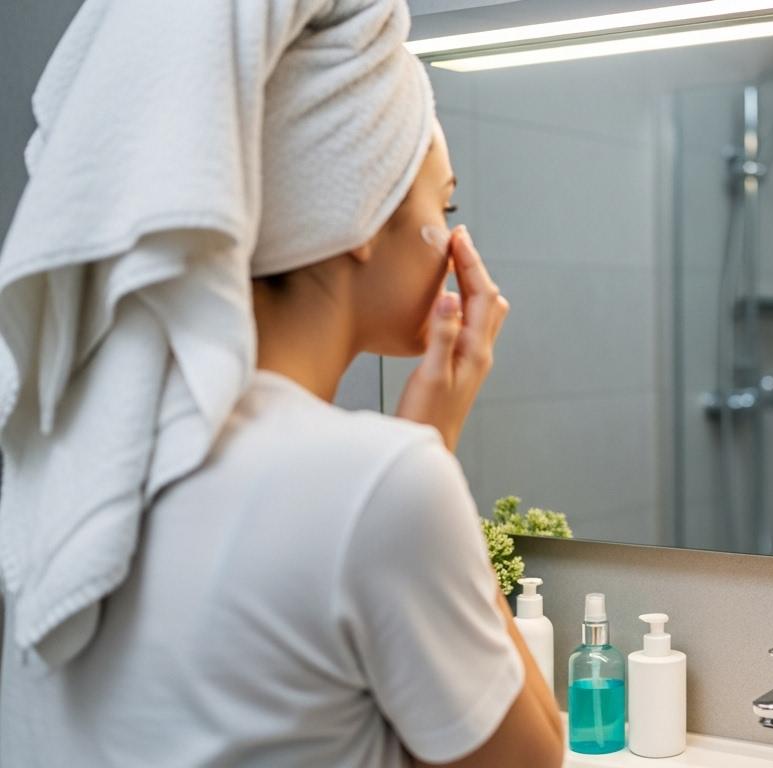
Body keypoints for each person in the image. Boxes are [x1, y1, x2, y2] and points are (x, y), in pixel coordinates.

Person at [0, 2, 561, 765]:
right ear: (360, 210)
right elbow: (533, 758)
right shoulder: (381, 482)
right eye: (444, 203)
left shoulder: (71, 463)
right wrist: (429, 443)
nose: (456, 237)